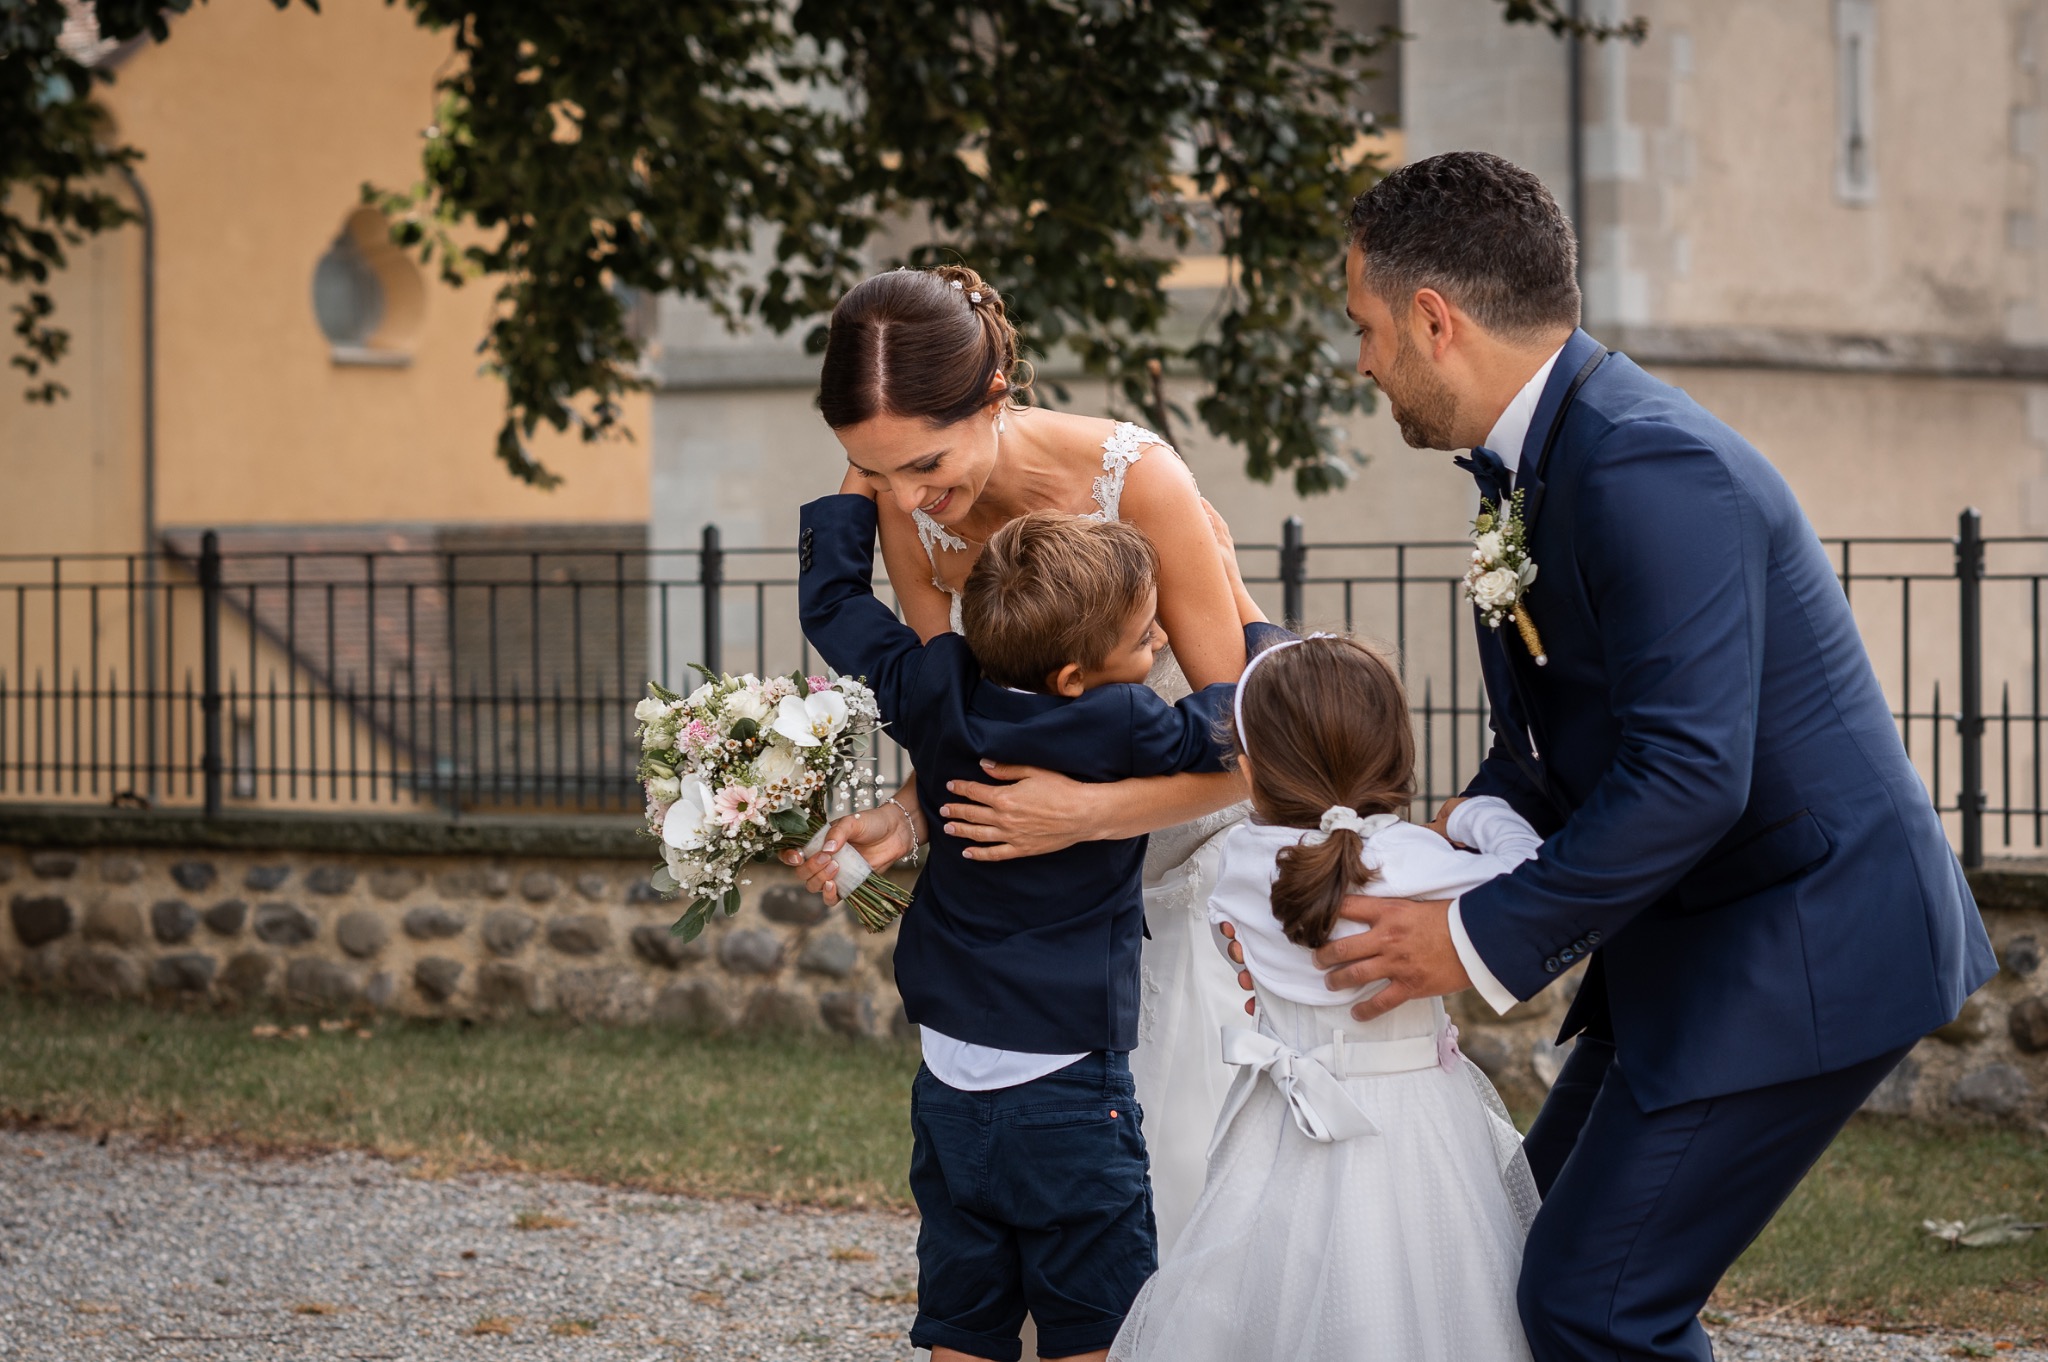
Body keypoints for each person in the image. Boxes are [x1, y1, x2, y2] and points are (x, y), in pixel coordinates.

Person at [1221, 151, 1996, 1362]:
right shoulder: (1540, 460)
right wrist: (1452, 840)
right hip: (1692, 943)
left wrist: (1472, 938)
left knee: (1591, 1304)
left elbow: (1689, 773)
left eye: (1364, 328)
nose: (1361, 361)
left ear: (1435, 321)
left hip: (1800, 942)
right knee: (1528, 1254)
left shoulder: (1646, 465)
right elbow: (1547, 743)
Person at [781, 263, 1262, 1255]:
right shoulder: (909, 511)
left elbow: (1256, 753)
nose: (908, 499)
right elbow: (963, 710)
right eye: (870, 477)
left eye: (923, 464)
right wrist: (910, 815)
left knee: (1175, 1167)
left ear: (994, 396)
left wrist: (1082, 816)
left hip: (1184, 837)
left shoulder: (1139, 480)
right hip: (1053, 897)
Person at [797, 496, 1255, 1362]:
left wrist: (856, 493)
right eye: (1144, 638)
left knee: (963, 1321)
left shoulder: (936, 689)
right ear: (1076, 677)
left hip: (948, 1085)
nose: (1158, 646)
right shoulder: (1121, 724)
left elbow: (837, 608)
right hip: (1071, 1092)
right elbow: (1231, 723)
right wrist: (1230, 591)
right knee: (1097, 1325)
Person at [1111, 633, 1542, 1362]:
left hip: (1279, 1126)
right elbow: (1529, 872)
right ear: (1396, 754)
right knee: (1430, 1295)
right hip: (1418, 1127)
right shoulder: (1415, 863)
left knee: (1275, 1291)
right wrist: (1470, 817)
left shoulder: (1242, 864)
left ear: (1249, 770)